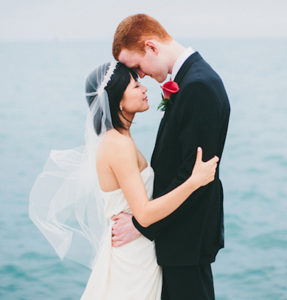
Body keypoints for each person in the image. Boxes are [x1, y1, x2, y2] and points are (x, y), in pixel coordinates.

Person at [29, 61, 219, 300]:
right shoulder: (117, 145)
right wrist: (194, 181)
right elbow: (145, 214)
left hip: (138, 249)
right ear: (118, 99)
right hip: (132, 259)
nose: (144, 89)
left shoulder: (120, 139)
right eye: (135, 86)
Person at [111, 14, 231, 300]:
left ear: (151, 47)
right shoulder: (190, 79)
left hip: (186, 239)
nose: (140, 77)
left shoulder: (198, 86)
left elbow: (196, 177)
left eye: (137, 67)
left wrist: (142, 224)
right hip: (179, 237)